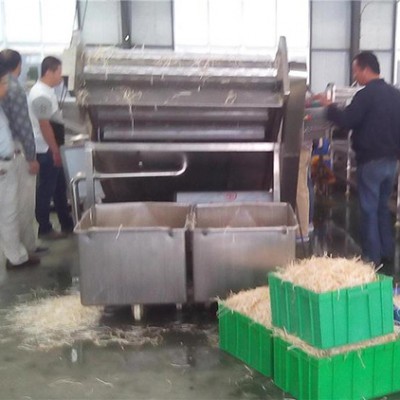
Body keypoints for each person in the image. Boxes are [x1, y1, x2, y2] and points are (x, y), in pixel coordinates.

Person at [317, 51, 400, 266]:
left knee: (369, 211)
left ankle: (372, 259)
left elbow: (347, 120)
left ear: (365, 69)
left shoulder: (365, 95)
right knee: (382, 209)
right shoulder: (395, 95)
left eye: (355, 71)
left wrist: (329, 107)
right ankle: (388, 254)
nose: (355, 76)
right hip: (391, 164)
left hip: (370, 163)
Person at [0, 49, 46, 255]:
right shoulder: (13, 88)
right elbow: (23, 126)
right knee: (19, 206)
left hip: (12, 152)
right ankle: (20, 253)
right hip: (16, 154)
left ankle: (25, 248)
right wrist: (31, 156)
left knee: (15, 207)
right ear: (18, 65)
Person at [28, 56, 73, 239]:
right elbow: (44, 125)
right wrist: (55, 150)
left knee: (59, 187)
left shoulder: (47, 91)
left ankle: (66, 222)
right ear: (49, 71)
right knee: (47, 189)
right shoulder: (40, 94)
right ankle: (44, 227)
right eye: (59, 72)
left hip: (52, 147)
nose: (61, 77)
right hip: (46, 150)